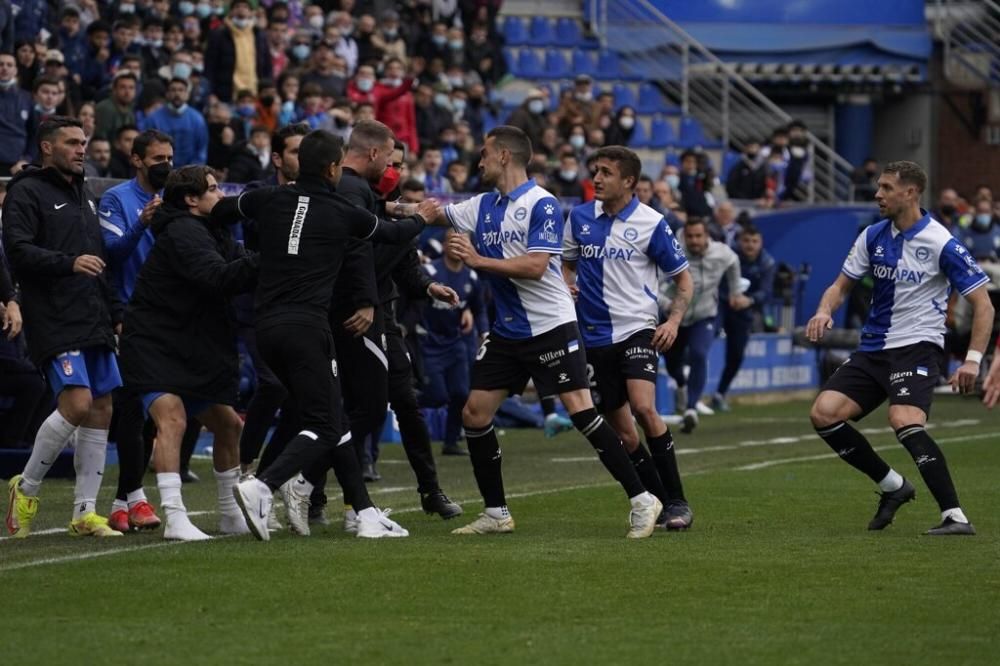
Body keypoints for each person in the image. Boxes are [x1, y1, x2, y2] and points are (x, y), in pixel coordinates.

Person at [215, 129, 440, 541]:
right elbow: (389, 235)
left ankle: (366, 513)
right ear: (334, 167)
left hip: (266, 329)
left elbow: (221, 209)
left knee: (335, 415)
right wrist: (421, 218)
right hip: (307, 328)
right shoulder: (339, 211)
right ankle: (264, 484)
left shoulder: (268, 197)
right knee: (325, 424)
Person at [439, 126, 663, 538]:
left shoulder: (541, 203)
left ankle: (642, 497)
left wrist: (476, 260)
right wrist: (393, 207)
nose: (479, 160)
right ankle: (496, 512)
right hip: (508, 331)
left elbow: (537, 265)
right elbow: (437, 211)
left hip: (550, 325)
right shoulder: (483, 205)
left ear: (505, 156)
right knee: (474, 412)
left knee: (580, 410)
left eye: (486, 153)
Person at [807, 161, 992, 536]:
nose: (878, 194)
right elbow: (841, 284)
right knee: (824, 414)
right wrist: (824, 310)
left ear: (910, 193)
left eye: (887, 188)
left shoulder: (941, 242)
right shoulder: (872, 235)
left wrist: (972, 361)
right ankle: (894, 486)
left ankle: (955, 516)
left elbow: (983, 305)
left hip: (917, 347)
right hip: (874, 348)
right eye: (879, 187)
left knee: (904, 420)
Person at [301, 126, 461, 527]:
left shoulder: (381, 204)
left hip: (381, 315)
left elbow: (406, 268)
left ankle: (427, 490)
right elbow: (356, 256)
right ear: (375, 155)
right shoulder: (359, 199)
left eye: (400, 167)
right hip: (356, 314)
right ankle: (311, 488)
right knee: (359, 408)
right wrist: (367, 300)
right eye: (392, 163)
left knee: (402, 403)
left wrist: (429, 286)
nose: (394, 172)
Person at [118, 165, 258, 541]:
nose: (220, 195)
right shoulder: (183, 231)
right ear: (191, 200)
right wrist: (268, 259)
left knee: (229, 425)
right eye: (212, 190)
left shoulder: (211, 228)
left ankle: (230, 514)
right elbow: (219, 278)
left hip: (189, 343)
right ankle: (175, 518)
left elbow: (238, 263)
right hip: (154, 342)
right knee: (173, 418)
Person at [562, 145, 696, 530]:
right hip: (592, 336)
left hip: (637, 328)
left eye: (606, 172)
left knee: (644, 408)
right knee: (623, 432)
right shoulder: (580, 217)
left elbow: (684, 280)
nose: (597, 178)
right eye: (595, 171)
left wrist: (671, 321)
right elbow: (566, 267)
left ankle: (679, 501)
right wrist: (566, 285)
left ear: (629, 181)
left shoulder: (652, 223)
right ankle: (658, 502)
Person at [3, 116, 122, 538]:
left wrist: (115, 313)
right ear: (47, 147)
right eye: (72, 142)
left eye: (84, 142)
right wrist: (67, 263)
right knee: (77, 404)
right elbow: (17, 251)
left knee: (102, 407)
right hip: (52, 314)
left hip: (93, 315)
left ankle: (84, 513)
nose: (81, 149)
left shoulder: (84, 194)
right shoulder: (27, 192)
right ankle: (27, 487)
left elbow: (97, 260)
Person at [99, 129, 176, 533]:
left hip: (168, 315)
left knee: (153, 413)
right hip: (129, 313)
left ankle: (121, 501)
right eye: (158, 158)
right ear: (138, 160)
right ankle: (138, 500)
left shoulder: (175, 198)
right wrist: (142, 224)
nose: (165, 164)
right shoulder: (118, 199)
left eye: (169, 158)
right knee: (134, 409)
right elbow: (110, 254)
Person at [663, 218, 742, 433]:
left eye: (699, 236)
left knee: (699, 353)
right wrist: (666, 304)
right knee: (672, 364)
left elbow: (734, 262)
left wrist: (736, 291)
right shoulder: (672, 252)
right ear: (684, 236)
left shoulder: (722, 252)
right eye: (690, 236)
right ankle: (680, 383)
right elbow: (654, 283)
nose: (694, 240)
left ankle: (690, 409)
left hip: (705, 315)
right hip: (674, 318)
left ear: (707, 235)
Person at [419, 228, 489, 456]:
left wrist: (484, 332)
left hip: (456, 341)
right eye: (452, 241)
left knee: (461, 393)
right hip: (429, 343)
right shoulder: (429, 271)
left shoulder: (471, 277)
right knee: (437, 395)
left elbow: (479, 309)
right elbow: (411, 302)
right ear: (445, 244)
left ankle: (451, 442)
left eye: (462, 241)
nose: (456, 245)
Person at [709, 224, 776, 412]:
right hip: (721, 304)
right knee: (706, 339)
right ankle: (690, 392)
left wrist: (749, 300)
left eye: (754, 241)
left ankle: (719, 394)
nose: (750, 245)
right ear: (739, 241)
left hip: (744, 310)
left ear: (761, 242)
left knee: (736, 355)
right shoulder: (728, 256)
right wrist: (728, 295)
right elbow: (713, 278)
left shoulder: (767, 262)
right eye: (746, 240)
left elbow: (766, 291)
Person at [141, 78, 209, 167]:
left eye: (181, 90)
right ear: (167, 94)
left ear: (187, 94)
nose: (177, 93)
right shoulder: (153, 118)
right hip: (161, 171)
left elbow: (201, 151)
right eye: (173, 90)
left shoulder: (198, 119)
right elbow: (147, 148)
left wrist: (192, 172)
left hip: (190, 173)